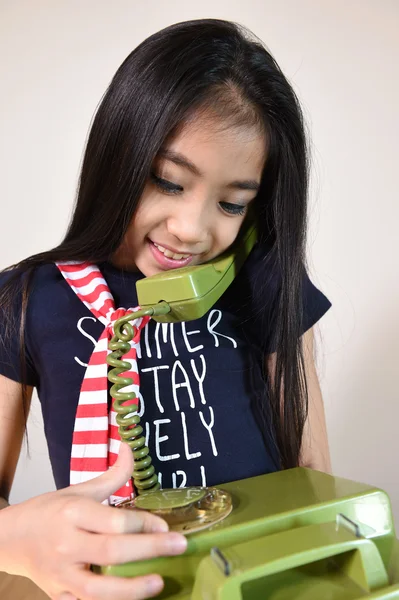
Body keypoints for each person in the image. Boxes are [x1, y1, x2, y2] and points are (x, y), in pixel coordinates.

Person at [0, 17, 332, 600]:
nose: (191, 230)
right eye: (168, 182)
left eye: (231, 204)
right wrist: (15, 537)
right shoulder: (27, 299)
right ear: (118, 156)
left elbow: (319, 486)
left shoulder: (264, 281)